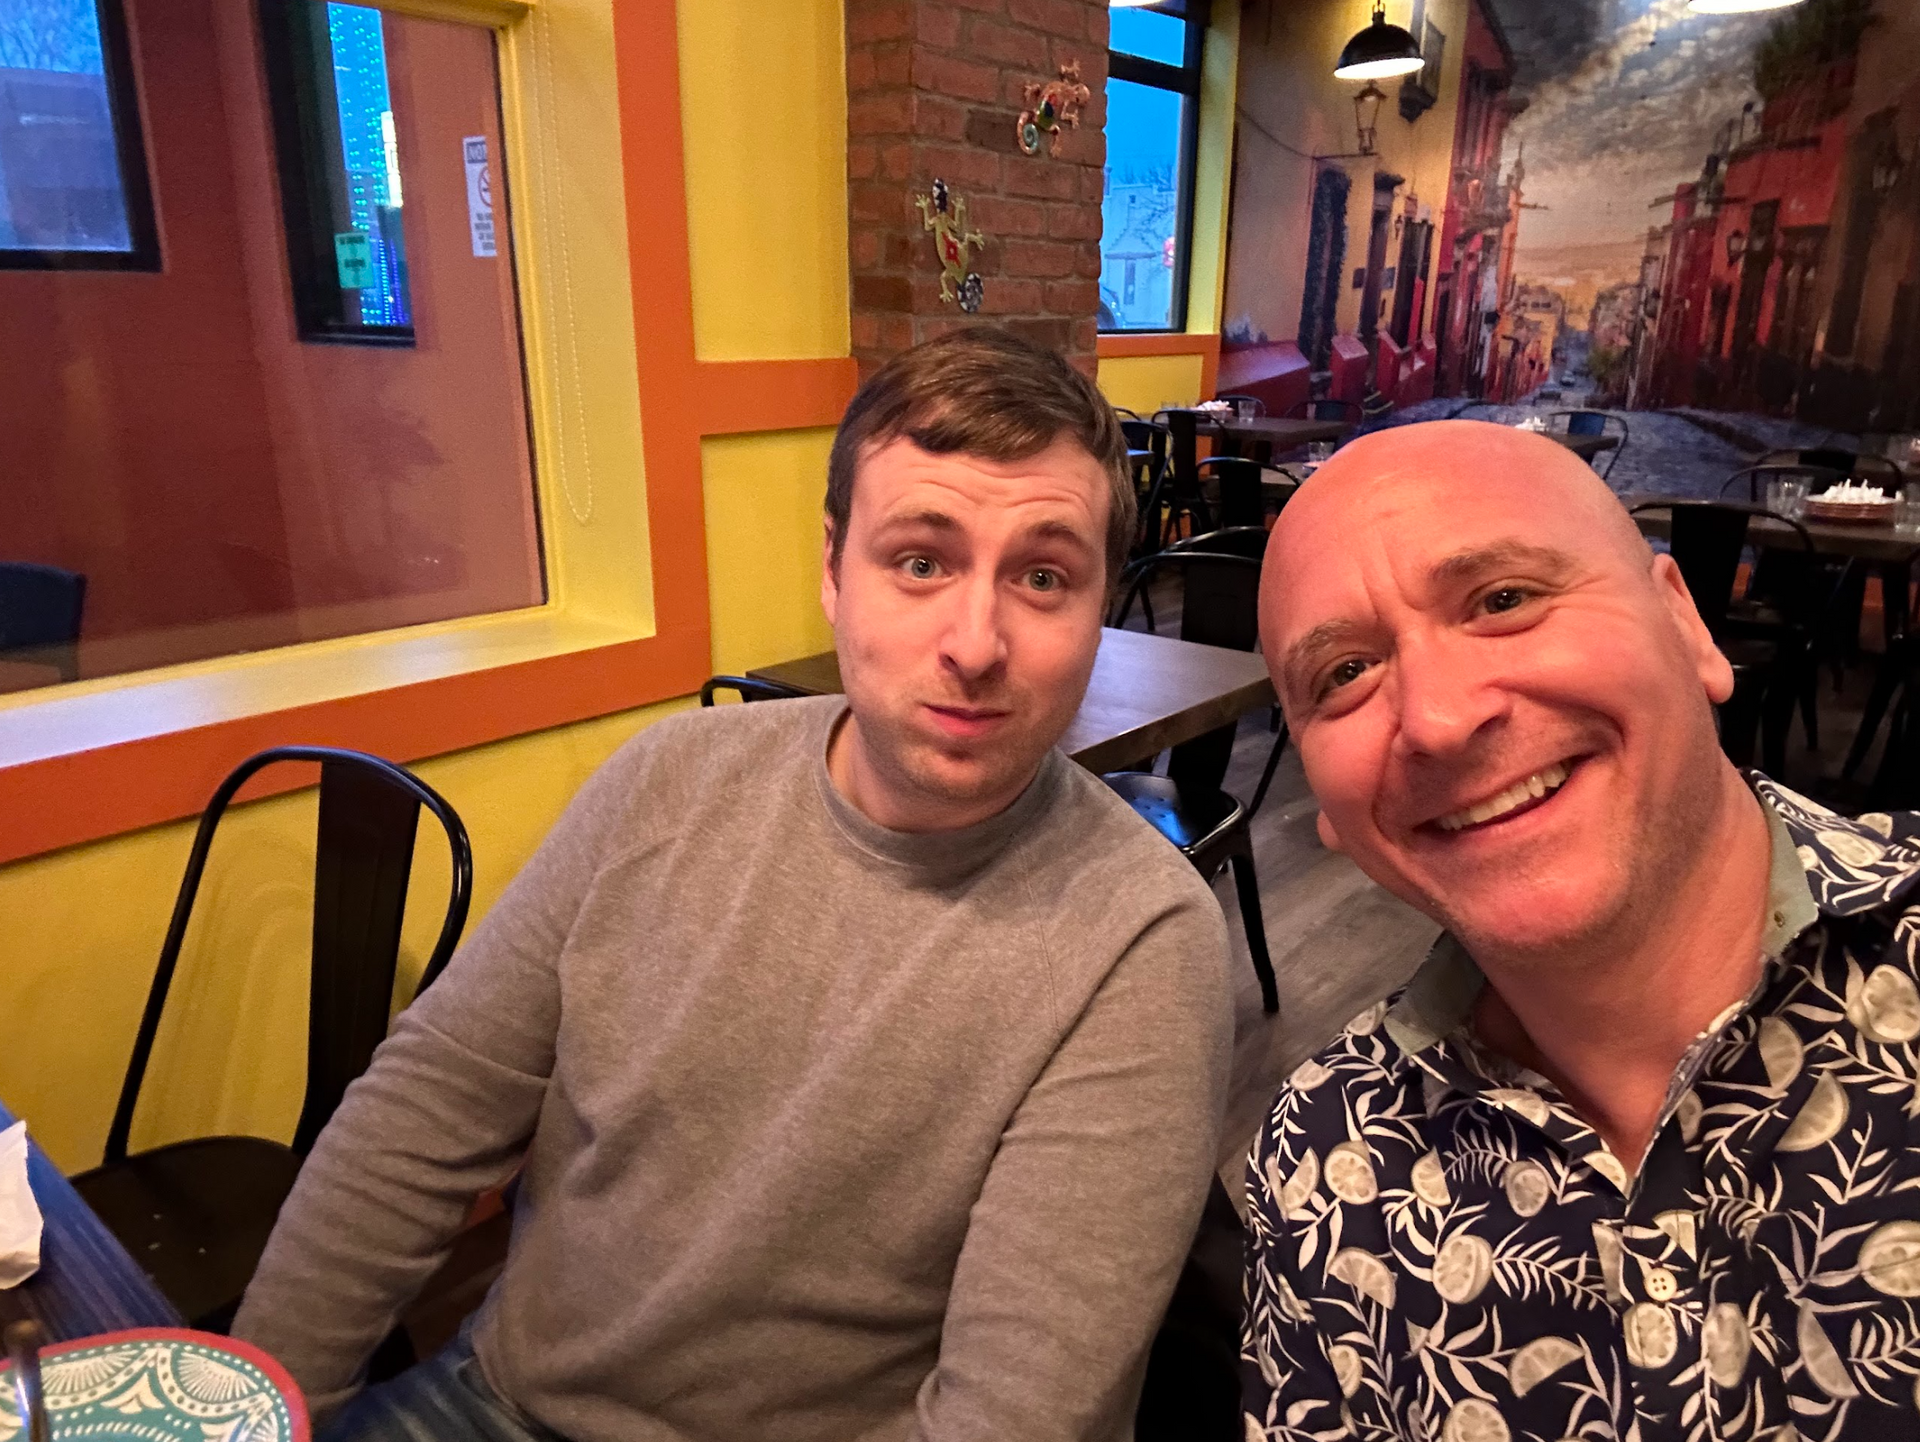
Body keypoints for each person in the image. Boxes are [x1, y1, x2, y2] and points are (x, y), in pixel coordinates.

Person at [235, 328, 1234, 1442]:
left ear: (1100, 607)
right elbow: (421, 1114)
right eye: (920, 559)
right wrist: (248, 1414)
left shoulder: (1140, 941)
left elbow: (1009, 1415)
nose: (975, 639)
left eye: (1043, 576)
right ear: (831, 570)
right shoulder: (664, 782)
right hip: (494, 1398)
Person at [1242, 420, 1920, 1439]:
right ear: (1323, 806)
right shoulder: (1321, 1157)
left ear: (1688, 627)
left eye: (1504, 600)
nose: (1435, 717)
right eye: (1343, 674)